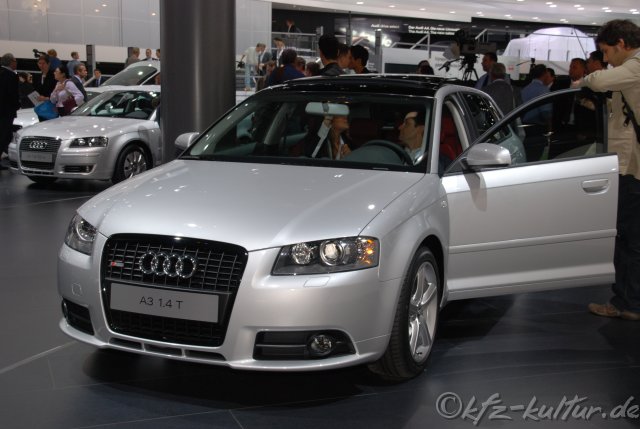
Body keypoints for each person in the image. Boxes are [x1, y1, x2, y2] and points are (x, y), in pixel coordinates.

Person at [581, 19, 640, 321]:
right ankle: (630, 302)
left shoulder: (636, 66)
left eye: (606, 52)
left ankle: (627, 303)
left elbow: (598, 81)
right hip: (631, 167)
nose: (605, 60)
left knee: (629, 238)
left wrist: (584, 81)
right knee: (631, 238)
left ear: (621, 44)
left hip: (633, 170)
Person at [0, 53, 20, 169]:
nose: (16, 63)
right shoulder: (11, 75)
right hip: (7, 110)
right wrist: (17, 105)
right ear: (11, 62)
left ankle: (9, 155)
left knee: (6, 135)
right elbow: (13, 94)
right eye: (15, 61)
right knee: (4, 134)